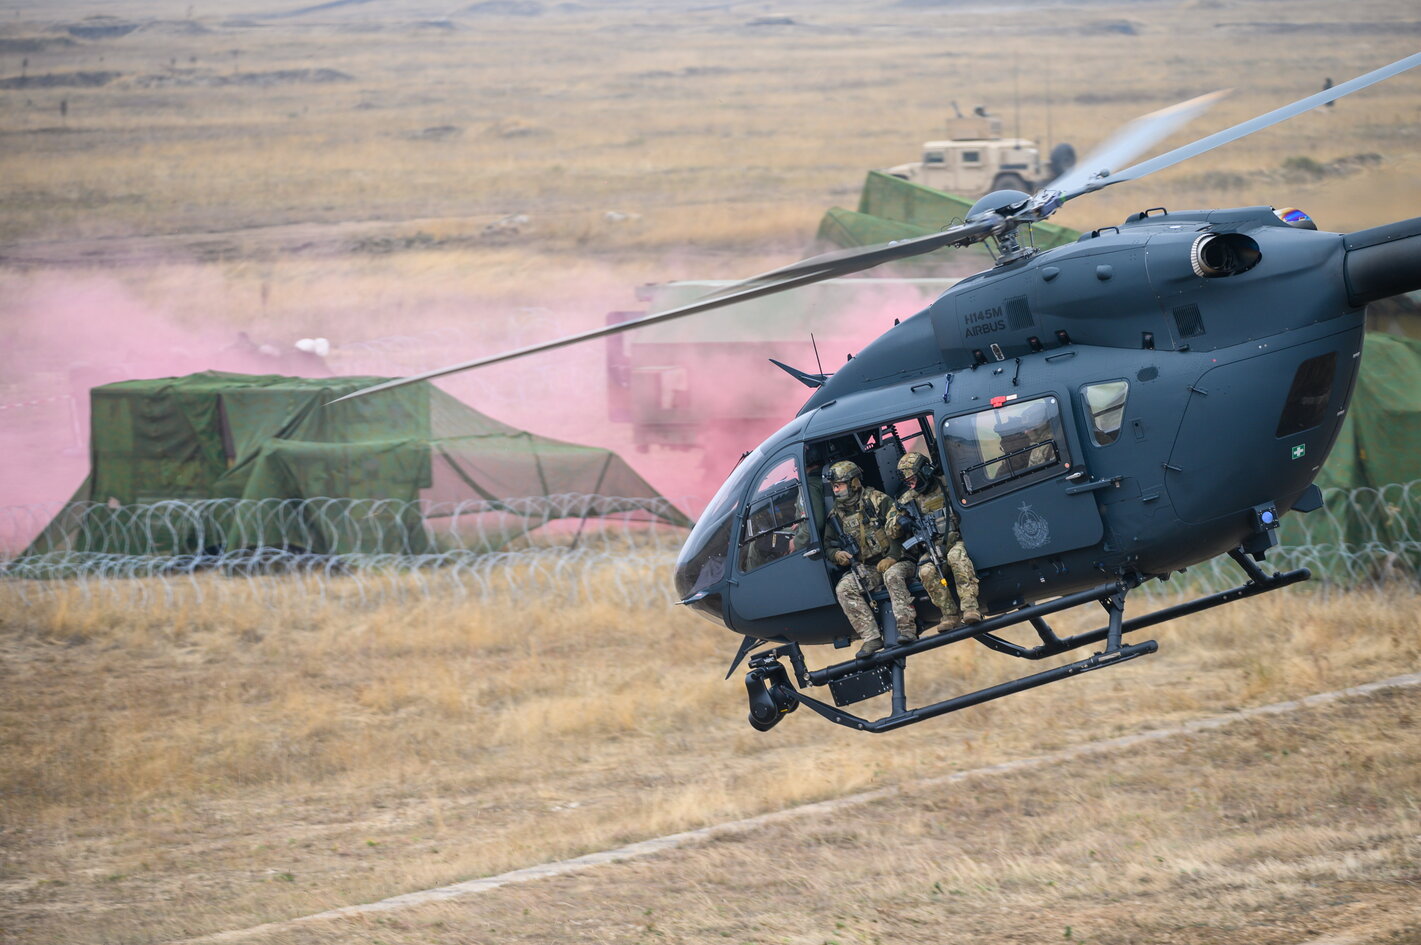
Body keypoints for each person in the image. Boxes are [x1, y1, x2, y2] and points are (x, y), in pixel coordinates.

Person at [823, 460, 917, 659]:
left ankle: (907, 628)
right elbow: (828, 546)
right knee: (844, 588)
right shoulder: (836, 516)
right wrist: (837, 555)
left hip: (900, 561)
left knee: (892, 575)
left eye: (839, 484)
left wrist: (893, 556)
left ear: (854, 483)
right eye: (834, 486)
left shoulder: (877, 501)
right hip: (868, 568)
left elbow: (899, 529)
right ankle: (872, 637)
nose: (836, 489)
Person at [888, 451, 982, 630]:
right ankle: (949, 615)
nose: (911, 484)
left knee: (957, 558)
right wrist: (900, 521)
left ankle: (970, 608)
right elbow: (890, 529)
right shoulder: (908, 499)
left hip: (956, 541)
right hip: (933, 548)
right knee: (926, 572)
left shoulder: (947, 484)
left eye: (913, 479)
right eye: (908, 482)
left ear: (924, 471)